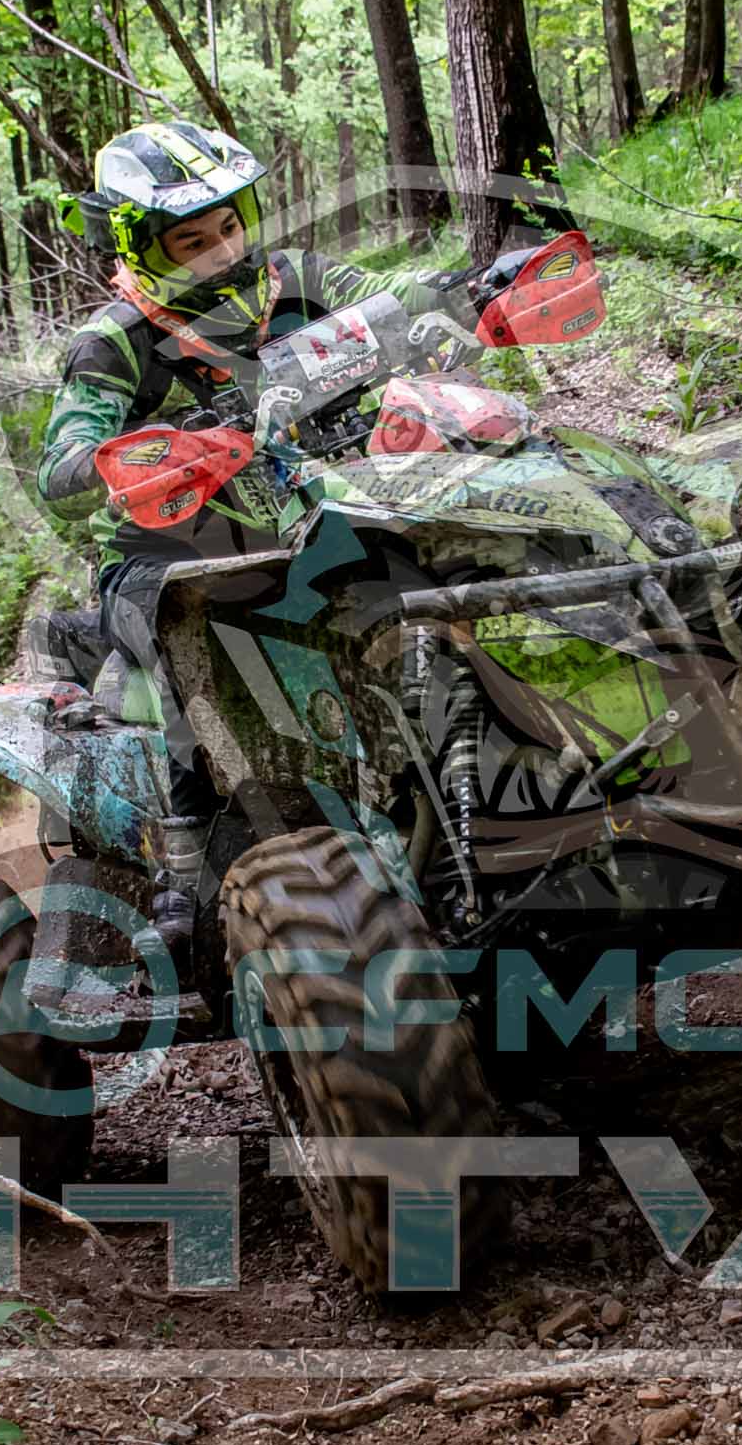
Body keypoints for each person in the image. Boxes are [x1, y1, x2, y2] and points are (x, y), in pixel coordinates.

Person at [38, 120, 473, 957]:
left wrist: (471, 287)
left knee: (440, 564)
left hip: (312, 511)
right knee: (190, 625)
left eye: (229, 225)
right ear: (144, 246)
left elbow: (393, 297)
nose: (222, 250)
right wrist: (143, 453)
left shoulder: (294, 282)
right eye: (193, 240)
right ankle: (186, 863)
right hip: (163, 557)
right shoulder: (115, 344)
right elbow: (59, 471)